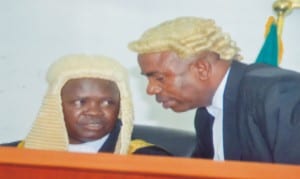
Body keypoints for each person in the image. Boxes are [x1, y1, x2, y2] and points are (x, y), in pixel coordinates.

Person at [128, 16, 300, 164]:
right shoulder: (206, 114)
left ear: (202, 69)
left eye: (159, 78)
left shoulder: (279, 95)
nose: (151, 89)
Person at [1, 54, 171, 156]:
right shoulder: (11, 156)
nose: (95, 112)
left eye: (107, 103)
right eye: (80, 102)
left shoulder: (147, 159)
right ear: (56, 105)